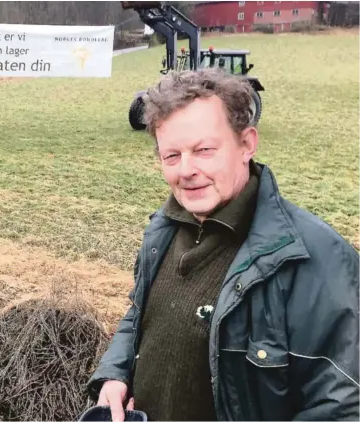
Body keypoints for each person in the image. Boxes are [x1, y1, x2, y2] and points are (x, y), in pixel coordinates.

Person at [87, 68, 359, 421]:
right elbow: (139, 316)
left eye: (204, 150)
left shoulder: (316, 260)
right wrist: (115, 374)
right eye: (172, 156)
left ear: (246, 144)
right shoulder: (163, 231)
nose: (186, 170)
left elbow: (343, 407)